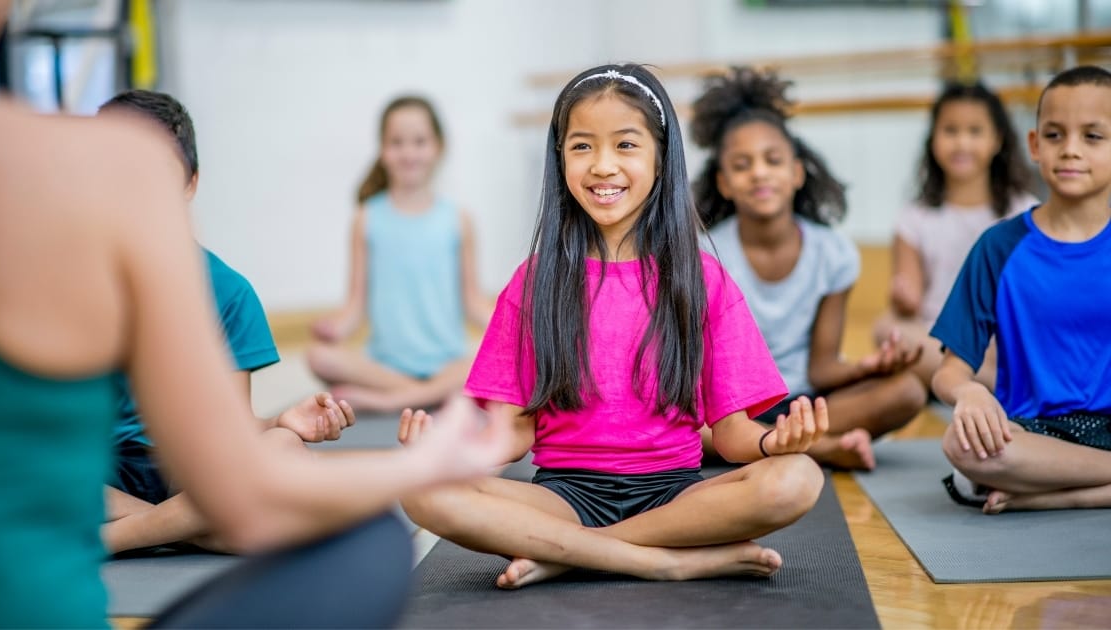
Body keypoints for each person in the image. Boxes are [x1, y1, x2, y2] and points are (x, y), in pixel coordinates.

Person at [0, 8, 511, 627]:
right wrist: (420, 466)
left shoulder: (223, 285)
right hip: (142, 496)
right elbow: (237, 487)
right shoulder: (106, 170)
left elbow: (217, 441)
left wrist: (275, 423)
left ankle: (135, 527)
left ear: (190, 183)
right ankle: (151, 528)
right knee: (366, 537)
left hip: (135, 485)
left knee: (272, 451)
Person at [398, 63, 829, 591]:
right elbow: (510, 434)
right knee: (420, 491)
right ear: (560, 159)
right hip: (562, 497)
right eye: (582, 147)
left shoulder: (704, 280)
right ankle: (660, 561)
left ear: (660, 158)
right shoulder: (533, 282)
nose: (603, 166)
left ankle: (576, 555)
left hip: (676, 496)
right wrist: (448, 447)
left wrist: (775, 443)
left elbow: (734, 436)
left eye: (625, 145)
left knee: (797, 478)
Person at [96, 89, 358, 555]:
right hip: (98, 477)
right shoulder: (64, 282)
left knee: (284, 451)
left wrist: (280, 421)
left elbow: (228, 430)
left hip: (190, 471)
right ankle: (185, 527)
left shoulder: (230, 293)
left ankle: (124, 536)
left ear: (189, 182)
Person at [691, 66, 926, 470]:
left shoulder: (833, 252)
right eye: (742, 165)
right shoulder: (703, 255)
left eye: (772, 160)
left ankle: (777, 442)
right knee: (669, 427)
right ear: (724, 182)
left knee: (907, 392)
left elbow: (822, 366)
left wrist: (867, 368)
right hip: (728, 413)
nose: (759, 172)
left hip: (801, 401)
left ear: (796, 172)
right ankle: (815, 447)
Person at [933, 65, 1111, 514]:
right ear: (1034, 145)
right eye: (1054, 135)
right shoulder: (999, 246)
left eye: (1093, 136)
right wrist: (971, 393)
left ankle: (1063, 495)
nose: (1070, 150)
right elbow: (948, 373)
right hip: (1032, 434)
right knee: (963, 446)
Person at [308, 96, 494, 413]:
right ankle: (433, 396)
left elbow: (473, 299)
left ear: (438, 147)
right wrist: (336, 328)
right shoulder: (367, 218)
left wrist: (512, 330)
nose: (408, 152)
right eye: (397, 142)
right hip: (386, 368)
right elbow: (355, 305)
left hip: (448, 362)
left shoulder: (458, 219)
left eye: (419, 141)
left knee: (496, 355)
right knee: (318, 356)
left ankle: (397, 400)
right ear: (382, 150)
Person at [874, 81, 1037, 390]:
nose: (962, 143)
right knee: (886, 328)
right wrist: (903, 297)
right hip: (939, 337)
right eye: (950, 131)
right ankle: (993, 385)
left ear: (997, 140)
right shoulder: (915, 217)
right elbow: (911, 302)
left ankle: (964, 380)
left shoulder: (1025, 210)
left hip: (1000, 337)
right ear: (933, 139)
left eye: (975, 131)